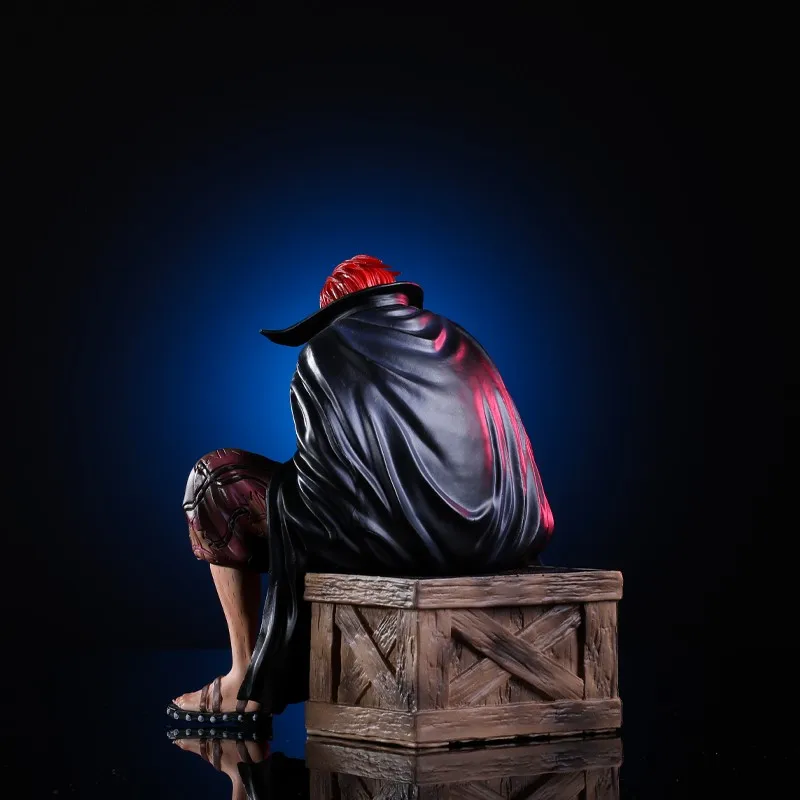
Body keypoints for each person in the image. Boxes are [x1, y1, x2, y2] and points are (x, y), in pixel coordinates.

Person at [167, 254, 554, 721]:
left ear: (332, 309)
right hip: (505, 538)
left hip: (405, 546)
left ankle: (242, 679)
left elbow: (325, 477)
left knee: (214, 482)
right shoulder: (459, 339)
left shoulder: (326, 349)